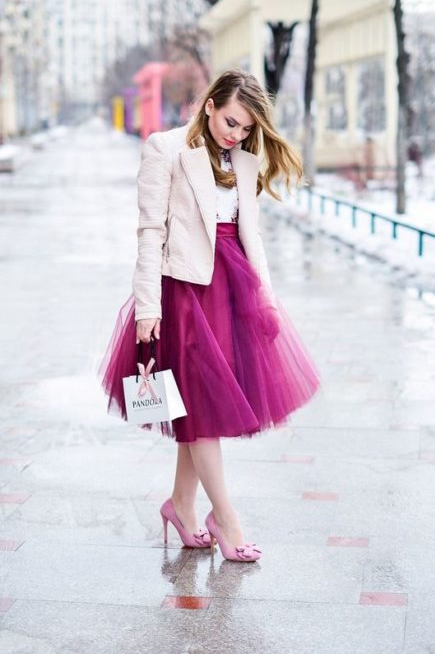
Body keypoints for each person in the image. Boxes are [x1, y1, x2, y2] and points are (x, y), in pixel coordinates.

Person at [98, 69, 321, 562]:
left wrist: (264, 296)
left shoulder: (244, 161)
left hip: (231, 290)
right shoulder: (166, 148)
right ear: (210, 105)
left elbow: (250, 235)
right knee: (201, 413)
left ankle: (181, 505)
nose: (236, 134)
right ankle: (226, 519)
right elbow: (150, 230)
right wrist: (148, 306)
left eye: (245, 128)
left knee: (200, 411)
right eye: (231, 121)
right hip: (184, 293)